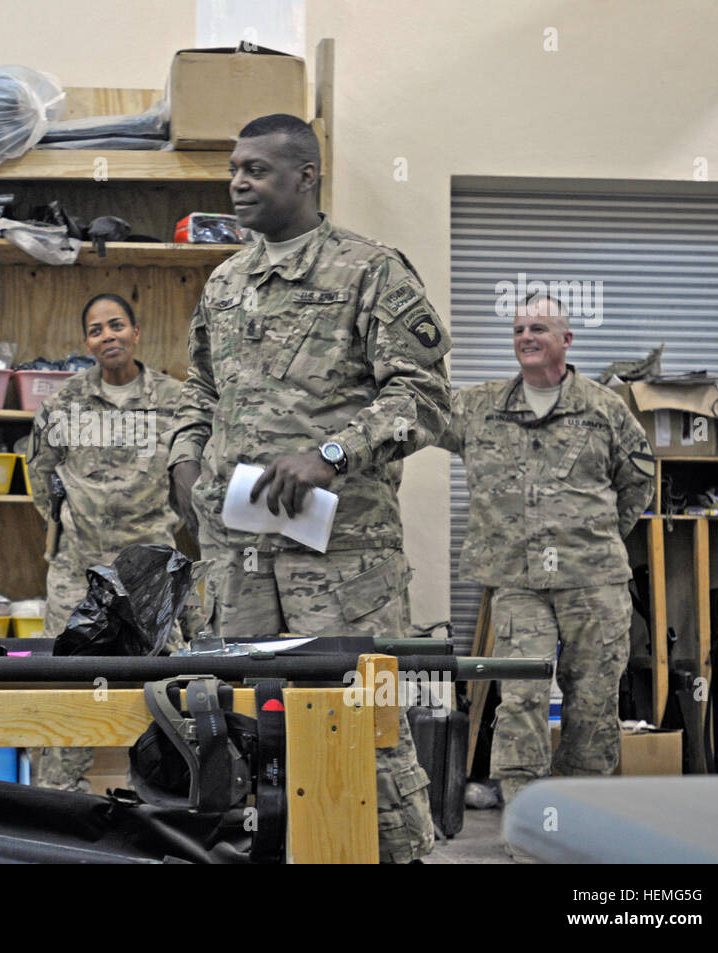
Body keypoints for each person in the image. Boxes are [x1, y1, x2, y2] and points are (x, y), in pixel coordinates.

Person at [167, 114, 451, 863]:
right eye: (234, 168)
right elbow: (199, 391)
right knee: (241, 732)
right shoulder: (226, 282)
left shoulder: (370, 270)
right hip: (238, 559)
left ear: (306, 176)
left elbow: (424, 399)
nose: (238, 182)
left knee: (363, 734)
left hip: (340, 563)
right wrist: (184, 463)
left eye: (257, 169)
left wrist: (333, 451)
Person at [438, 292, 654, 812]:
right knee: (521, 698)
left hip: (594, 583)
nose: (526, 338)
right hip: (518, 583)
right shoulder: (479, 405)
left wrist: (593, 538)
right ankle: (529, 814)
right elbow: (419, 421)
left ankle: (582, 813)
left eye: (538, 328)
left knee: (594, 702)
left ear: (566, 340)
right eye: (517, 330)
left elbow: (639, 480)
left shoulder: (605, 409)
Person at [26, 293, 189, 791]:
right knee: (65, 694)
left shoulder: (175, 399)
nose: (107, 336)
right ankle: (55, 810)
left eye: (116, 325)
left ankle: (170, 804)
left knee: (168, 694)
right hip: (80, 574)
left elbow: (193, 479)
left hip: (152, 576)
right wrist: (76, 522)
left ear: (136, 333)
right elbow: (41, 476)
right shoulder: (64, 402)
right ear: (87, 343)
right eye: (96, 330)